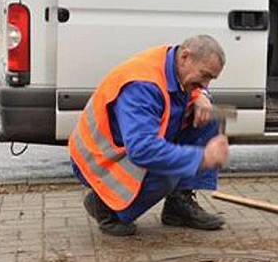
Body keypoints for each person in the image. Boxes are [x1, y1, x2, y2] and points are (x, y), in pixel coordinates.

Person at [69, 35, 229, 236]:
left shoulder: (173, 62)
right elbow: (142, 150)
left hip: (128, 144)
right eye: (204, 76)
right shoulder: (142, 86)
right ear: (186, 57)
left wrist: (201, 96)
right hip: (98, 158)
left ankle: (178, 206)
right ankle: (105, 207)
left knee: (210, 116)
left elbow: (182, 90)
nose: (205, 84)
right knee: (167, 172)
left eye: (210, 79)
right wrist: (202, 157)